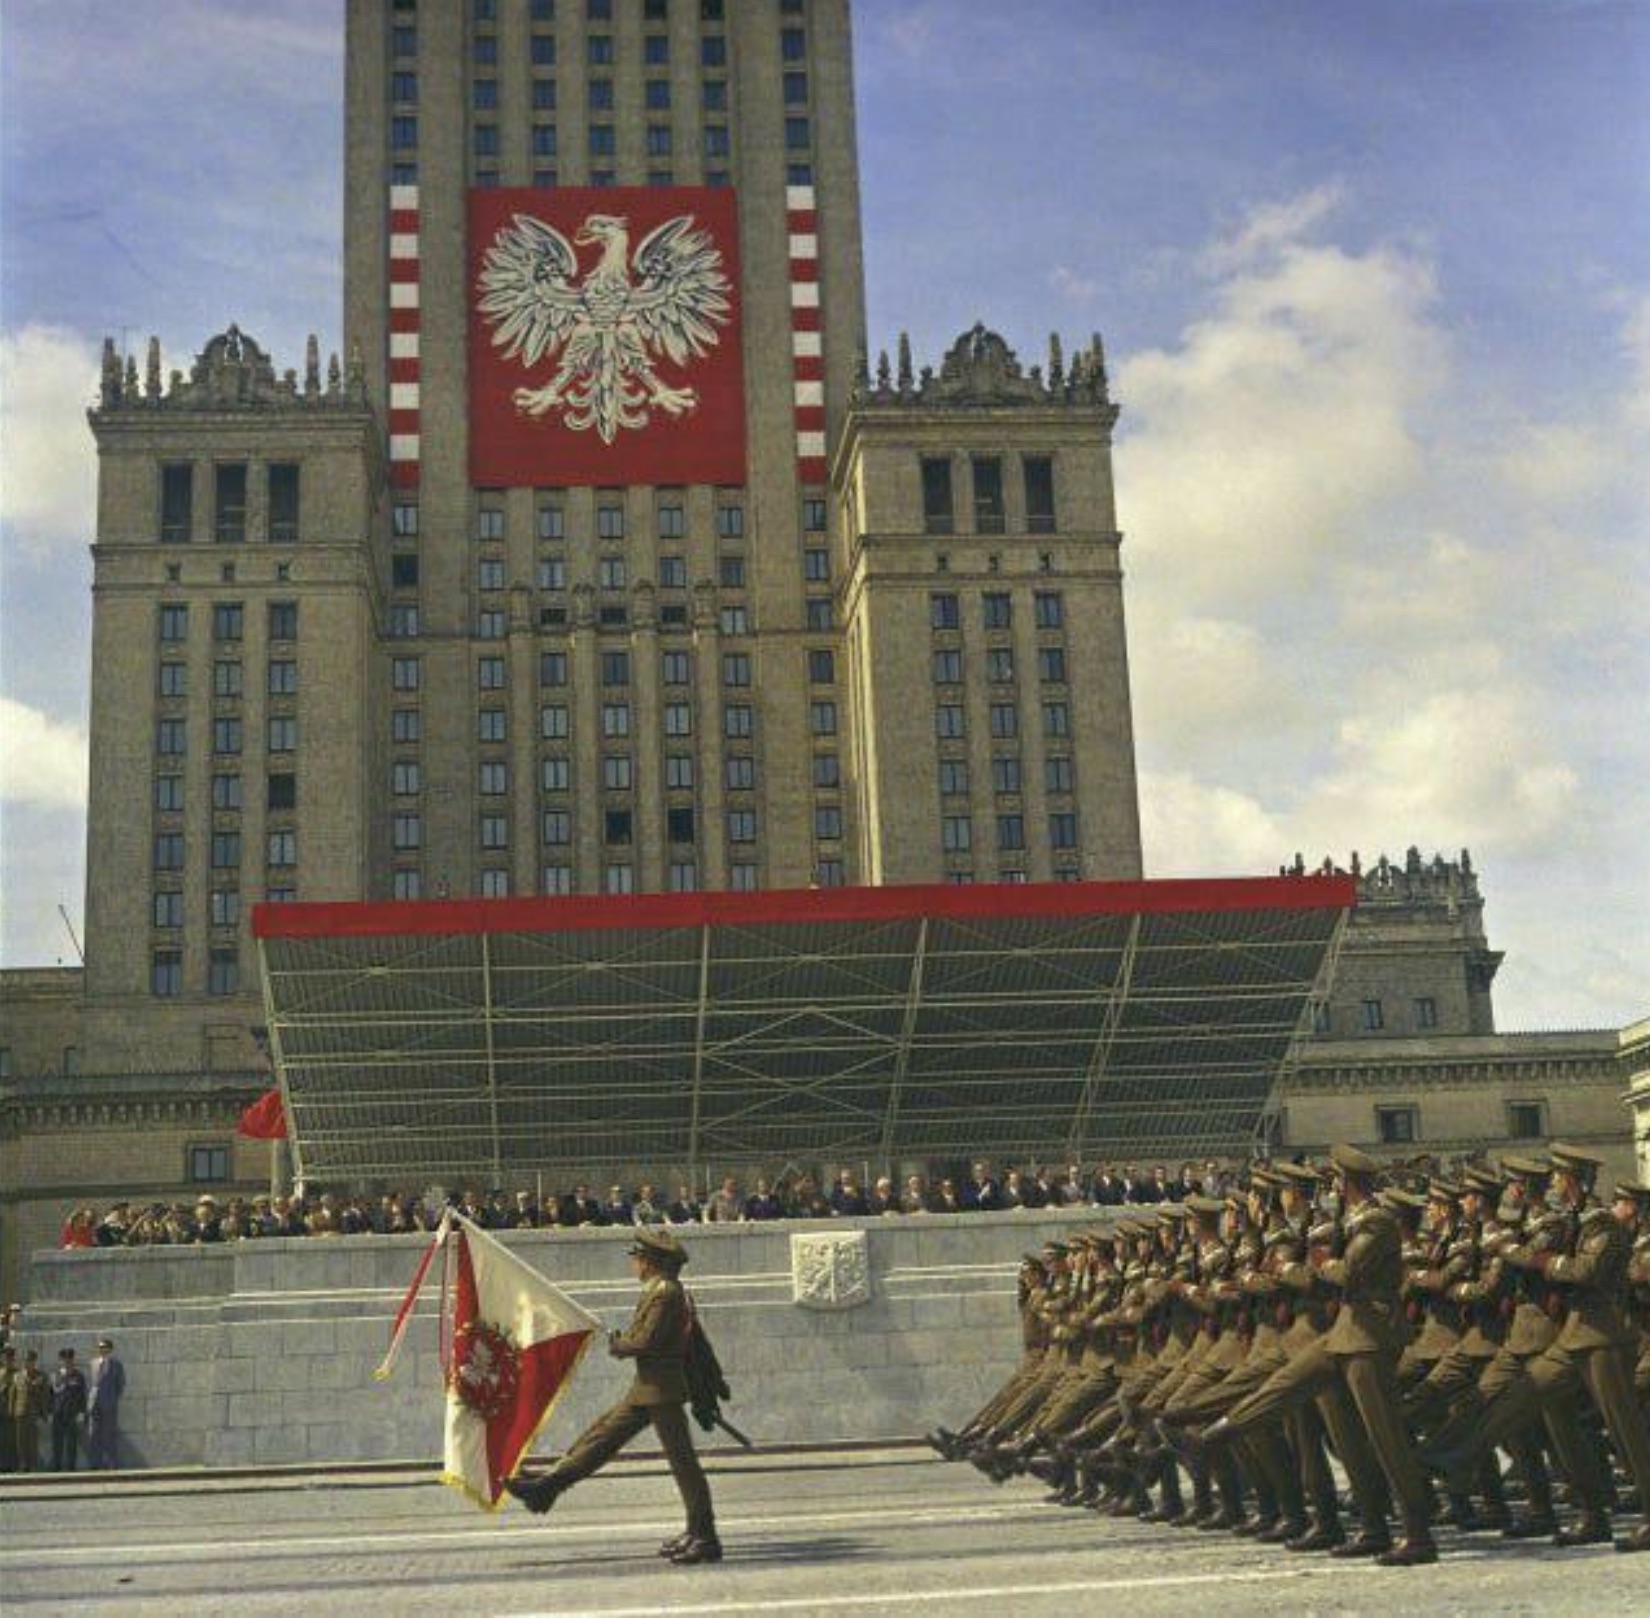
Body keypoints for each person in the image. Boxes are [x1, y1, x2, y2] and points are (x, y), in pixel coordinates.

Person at [504, 1229, 721, 1564]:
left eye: (638, 1258)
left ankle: (705, 1536)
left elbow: (646, 1342)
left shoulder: (666, 1293)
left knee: (683, 1465)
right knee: (601, 1437)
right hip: (649, 1388)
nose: (634, 1264)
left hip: (661, 1391)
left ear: (651, 1262)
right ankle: (548, 1487)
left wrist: (618, 1345)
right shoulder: (661, 1291)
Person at [87, 1337, 125, 1470]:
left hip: (109, 1403)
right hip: (94, 1403)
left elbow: (120, 1385)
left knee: (109, 1434)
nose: (101, 1349)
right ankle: (95, 1463)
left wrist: (113, 1399)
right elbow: (92, 1383)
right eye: (99, 1347)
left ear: (110, 1349)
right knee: (93, 1434)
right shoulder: (93, 1363)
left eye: (104, 1347)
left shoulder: (116, 1364)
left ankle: (111, 1463)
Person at [9, 1349, 49, 1472]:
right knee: (20, 1441)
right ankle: (22, 1465)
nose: (28, 1363)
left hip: (33, 1412)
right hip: (20, 1412)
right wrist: (11, 1411)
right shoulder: (17, 1376)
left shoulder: (41, 1376)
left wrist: (44, 1413)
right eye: (26, 1360)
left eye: (31, 1360)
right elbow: (13, 1395)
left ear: (34, 1361)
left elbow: (45, 1396)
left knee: (33, 1441)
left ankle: (33, 1465)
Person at [49, 1347, 87, 1471]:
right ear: (60, 1360)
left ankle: (71, 1467)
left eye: (69, 1359)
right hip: (57, 1413)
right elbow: (50, 1395)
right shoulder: (55, 1375)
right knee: (57, 1443)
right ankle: (56, 1467)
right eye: (64, 1359)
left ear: (73, 1360)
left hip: (72, 1413)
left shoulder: (78, 1375)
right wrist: (49, 1412)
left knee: (71, 1443)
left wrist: (81, 1413)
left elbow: (82, 1395)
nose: (67, 1361)